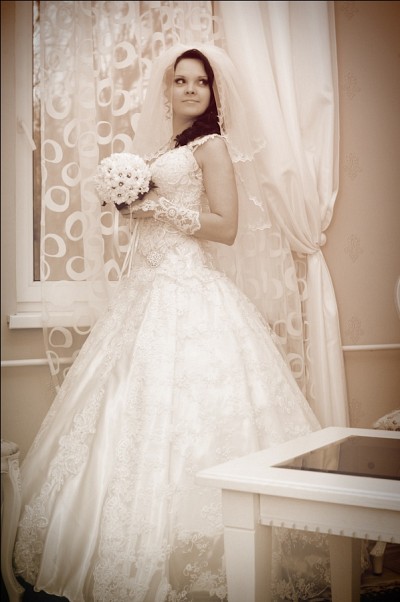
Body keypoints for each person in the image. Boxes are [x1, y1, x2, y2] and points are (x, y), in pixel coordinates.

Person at [13, 44, 322, 602]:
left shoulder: (211, 145)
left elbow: (226, 227)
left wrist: (157, 208)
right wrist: (128, 204)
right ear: (168, 88)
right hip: (144, 292)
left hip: (188, 289)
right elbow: (151, 216)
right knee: (121, 414)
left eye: (200, 82)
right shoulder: (164, 149)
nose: (190, 89)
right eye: (181, 80)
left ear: (212, 91)